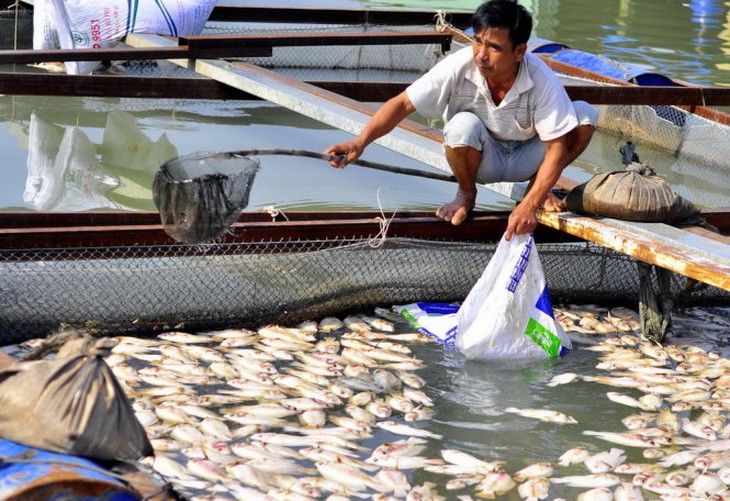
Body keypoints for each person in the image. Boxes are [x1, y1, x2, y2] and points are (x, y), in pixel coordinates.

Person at [325, 0, 597, 240]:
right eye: (477, 41)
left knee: (585, 114)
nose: (481, 54)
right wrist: (360, 142)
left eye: (493, 47)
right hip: (480, 158)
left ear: (519, 51)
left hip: (528, 157)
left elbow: (557, 147)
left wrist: (529, 205)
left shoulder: (541, 77)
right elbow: (404, 103)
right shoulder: (460, 64)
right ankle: (466, 194)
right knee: (461, 126)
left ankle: (535, 191)